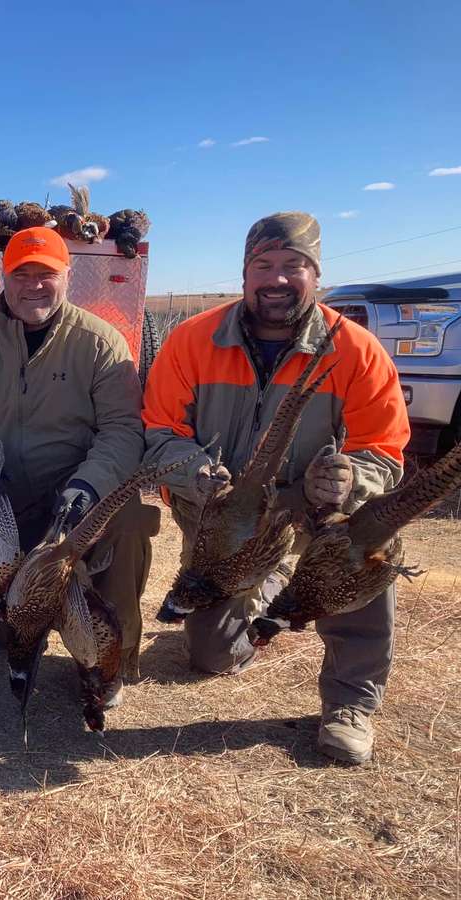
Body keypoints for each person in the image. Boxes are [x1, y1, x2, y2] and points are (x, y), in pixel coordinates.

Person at [142, 211, 409, 765]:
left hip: (315, 508)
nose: (277, 278)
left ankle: (349, 702)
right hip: (224, 511)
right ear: (244, 274)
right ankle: (269, 583)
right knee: (213, 656)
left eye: (294, 265)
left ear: (316, 274)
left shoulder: (356, 351)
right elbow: (160, 431)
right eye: (263, 265)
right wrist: (196, 472)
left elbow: (384, 448)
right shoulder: (192, 340)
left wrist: (350, 478)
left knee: (365, 548)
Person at [0, 227, 158, 696]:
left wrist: (88, 486)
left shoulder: (101, 343)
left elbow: (122, 429)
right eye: (22, 273)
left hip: (73, 500)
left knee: (130, 516)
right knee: (4, 638)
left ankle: (107, 661)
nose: (34, 284)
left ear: (67, 277)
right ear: (4, 276)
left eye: (47, 273)